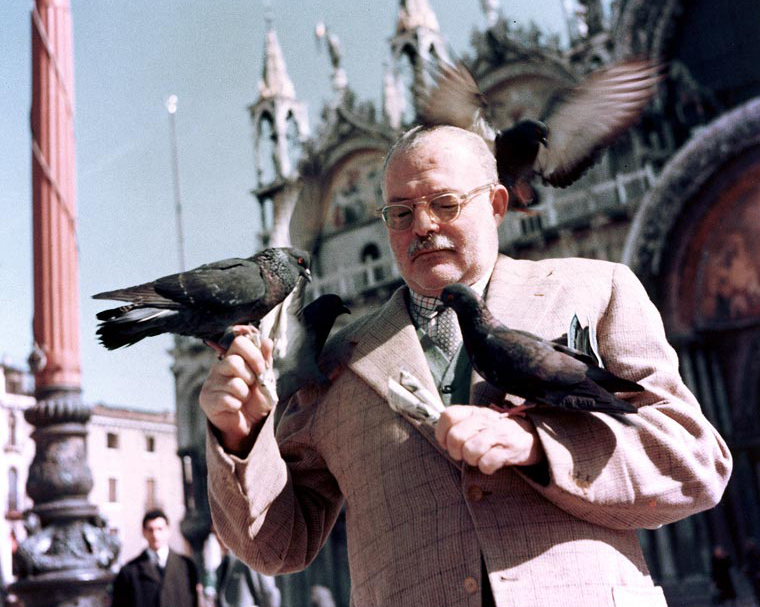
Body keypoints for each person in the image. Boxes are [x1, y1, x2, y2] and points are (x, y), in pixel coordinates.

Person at [200, 124, 732, 606]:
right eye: (400, 213)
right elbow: (277, 547)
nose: (422, 226)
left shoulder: (596, 289)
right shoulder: (336, 360)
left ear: (497, 203)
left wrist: (537, 447)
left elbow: (695, 461)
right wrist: (240, 438)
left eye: (445, 203)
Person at [111, 509, 199, 607]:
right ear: (144, 532)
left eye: (160, 529)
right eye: (150, 530)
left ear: (168, 530)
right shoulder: (129, 571)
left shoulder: (186, 566)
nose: (155, 535)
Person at [215, 532, 280, 607]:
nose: (217, 538)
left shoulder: (249, 558)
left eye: (218, 534)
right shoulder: (221, 565)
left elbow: (268, 592)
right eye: (215, 534)